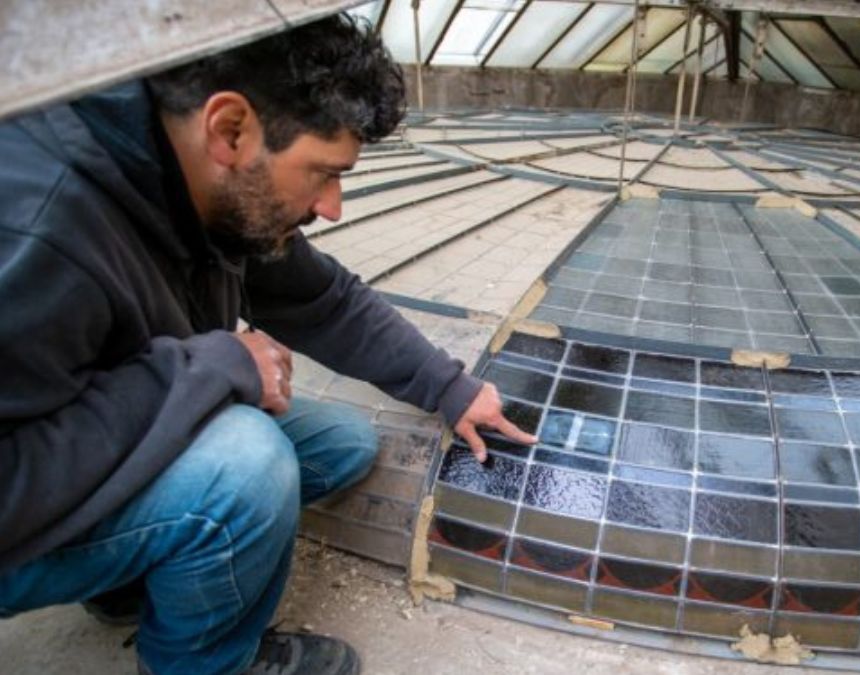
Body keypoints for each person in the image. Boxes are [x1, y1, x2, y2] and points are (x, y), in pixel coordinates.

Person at [0, 14, 534, 675]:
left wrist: (453, 389)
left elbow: (325, 301)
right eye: (322, 173)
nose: (333, 205)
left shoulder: (215, 185)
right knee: (250, 468)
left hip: (102, 428)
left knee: (341, 444)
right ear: (229, 129)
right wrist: (217, 364)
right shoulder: (38, 227)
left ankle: (126, 577)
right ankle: (205, 664)